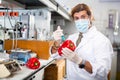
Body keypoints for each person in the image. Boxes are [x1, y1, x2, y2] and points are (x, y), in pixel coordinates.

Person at [50, 3, 113, 80]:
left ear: (90, 17)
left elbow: (103, 72)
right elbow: (56, 56)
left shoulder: (102, 41)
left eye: (83, 17)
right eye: (76, 18)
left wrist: (81, 62)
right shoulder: (72, 38)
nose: (80, 21)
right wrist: (57, 43)